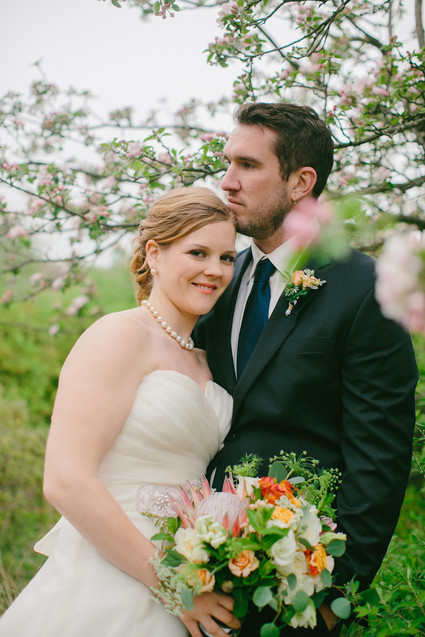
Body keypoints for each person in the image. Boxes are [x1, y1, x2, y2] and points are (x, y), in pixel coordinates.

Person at [194, 103, 418, 635]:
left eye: (248, 165)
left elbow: (379, 455)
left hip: (299, 586)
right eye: (227, 164)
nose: (227, 182)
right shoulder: (215, 281)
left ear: (301, 182)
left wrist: (331, 599)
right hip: (199, 570)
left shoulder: (366, 290)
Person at [0, 187, 241, 637]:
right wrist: (173, 584)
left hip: (192, 571)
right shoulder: (119, 335)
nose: (215, 269)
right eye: (198, 252)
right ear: (155, 254)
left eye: (227, 257)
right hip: (114, 574)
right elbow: (66, 480)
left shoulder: (208, 361)